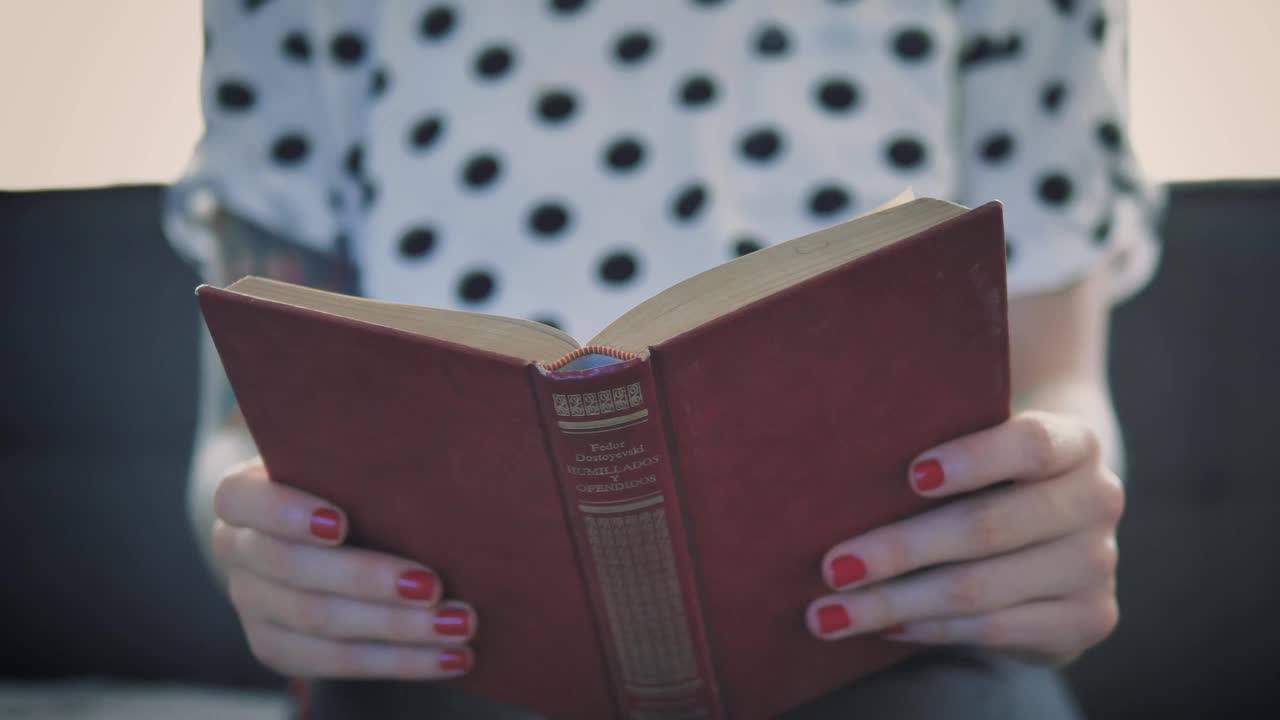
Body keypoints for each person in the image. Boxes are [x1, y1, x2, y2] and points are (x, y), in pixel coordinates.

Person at [167, 1, 1162, 717]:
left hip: (893, 642)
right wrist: (262, 550)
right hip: (442, 660)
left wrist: (1046, 520)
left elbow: (1052, 377)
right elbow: (238, 431)